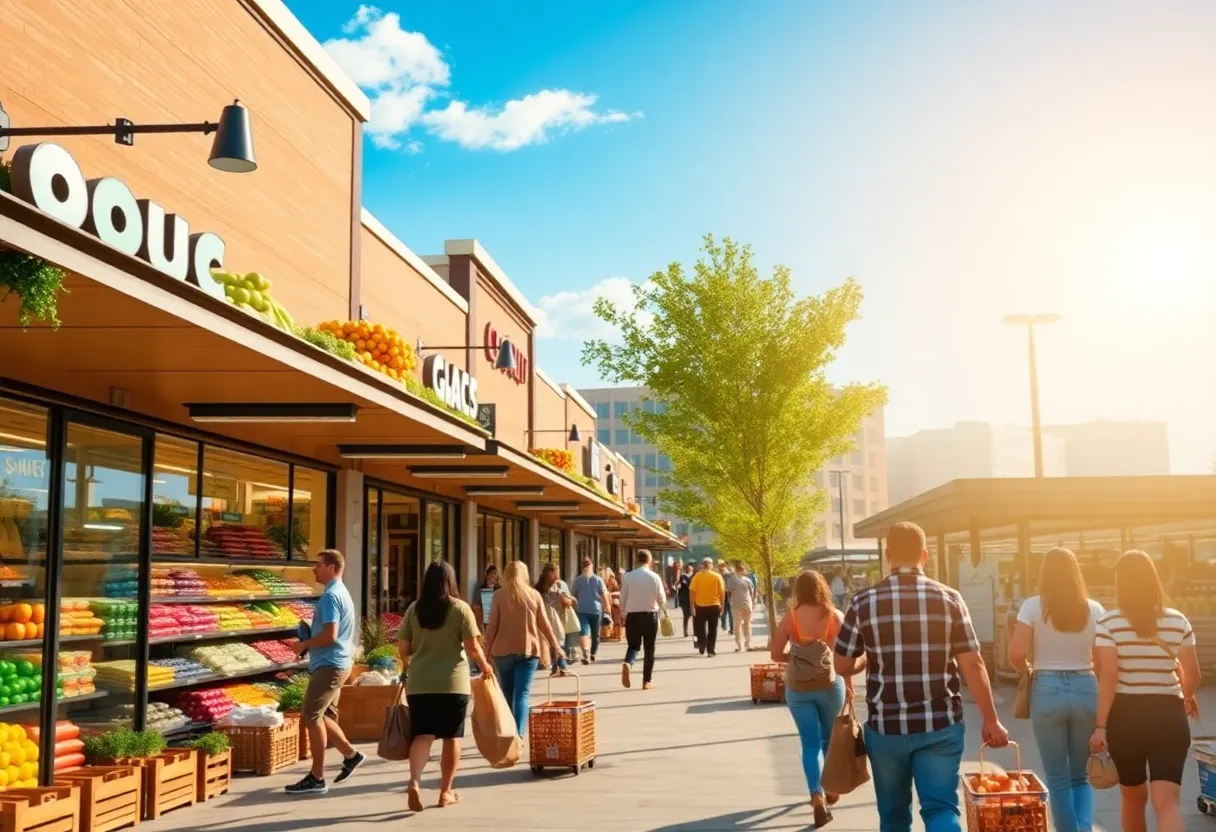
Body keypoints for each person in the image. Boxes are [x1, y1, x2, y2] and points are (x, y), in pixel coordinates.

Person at [834, 521, 1008, 832]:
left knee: (894, 818)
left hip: (886, 728)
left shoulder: (862, 602)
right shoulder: (950, 599)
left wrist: (865, 660)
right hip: (940, 725)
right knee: (941, 809)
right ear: (924, 556)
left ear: (888, 555)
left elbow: (841, 665)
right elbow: (973, 663)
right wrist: (991, 719)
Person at [1091, 551, 1200, 832]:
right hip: (1169, 714)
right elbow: (1194, 674)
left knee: (1132, 799)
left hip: (1127, 717)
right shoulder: (1178, 621)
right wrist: (1185, 697)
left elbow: (1109, 675)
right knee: (1168, 803)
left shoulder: (1109, 623)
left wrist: (1101, 726)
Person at [1008, 547, 1104, 832]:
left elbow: (1015, 653)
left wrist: (1027, 672)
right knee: (1080, 777)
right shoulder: (1095, 609)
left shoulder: (1032, 606)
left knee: (1058, 777)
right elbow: (1101, 662)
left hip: (1046, 688)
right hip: (1087, 686)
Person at [397, 560, 494, 812]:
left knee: (422, 735)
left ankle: (415, 782)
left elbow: (403, 648)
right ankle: (445, 792)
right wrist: (485, 667)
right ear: (450, 581)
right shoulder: (460, 609)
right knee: (452, 738)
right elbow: (473, 648)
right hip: (453, 683)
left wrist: (420, 653)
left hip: (419, 683)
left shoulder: (413, 610)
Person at [772, 570, 851, 828]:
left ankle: (816, 797)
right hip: (830, 685)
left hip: (798, 688)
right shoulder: (834, 616)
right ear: (823, 589)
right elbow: (843, 658)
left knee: (809, 743)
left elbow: (775, 654)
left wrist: (797, 661)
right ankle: (832, 788)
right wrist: (849, 685)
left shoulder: (790, 617)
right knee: (830, 738)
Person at [286, 549, 363, 795]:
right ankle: (351, 755)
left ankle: (317, 777)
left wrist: (304, 644)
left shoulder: (330, 596)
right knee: (325, 715)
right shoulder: (342, 592)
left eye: (317, 565)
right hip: (338, 662)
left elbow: (330, 635)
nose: (313, 569)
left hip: (329, 664)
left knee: (311, 716)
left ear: (331, 567)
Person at [484, 560, 566, 737]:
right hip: (528, 651)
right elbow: (544, 624)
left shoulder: (498, 595)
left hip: (502, 652)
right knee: (522, 693)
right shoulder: (533, 595)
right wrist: (556, 646)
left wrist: (486, 650)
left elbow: (492, 626)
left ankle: (507, 732)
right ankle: (519, 734)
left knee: (507, 692)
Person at [619, 549, 666, 690]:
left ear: (636, 559)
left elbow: (622, 598)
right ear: (650, 560)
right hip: (650, 616)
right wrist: (664, 610)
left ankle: (629, 662)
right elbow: (662, 598)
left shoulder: (628, 577)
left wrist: (623, 612)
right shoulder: (654, 577)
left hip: (633, 616)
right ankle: (647, 681)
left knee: (633, 645)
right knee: (649, 649)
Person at [535, 562, 578, 676]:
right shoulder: (540, 587)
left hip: (557, 616)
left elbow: (569, 602)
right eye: (556, 571)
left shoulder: (560, 585)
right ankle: (560, 665)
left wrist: (561, 595)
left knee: (557, 640)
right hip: (549, 617)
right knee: (555, 641)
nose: (557, 573)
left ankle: (558, 666)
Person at [571, 558, 610, 663]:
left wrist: (607, 609)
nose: (586, 567)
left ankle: (592, 653)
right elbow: (573, 595)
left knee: (595, 634)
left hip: (596, 611)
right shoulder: (578, 580)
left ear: (592, 566)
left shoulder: (598, 580)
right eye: (585, 565)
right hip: (582, 611)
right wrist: (572, 606)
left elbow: (603, 595)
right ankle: (586, 652)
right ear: (583, 567)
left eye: (588, 565)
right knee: (584, 632)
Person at [690, 557, 726, 656]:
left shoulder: (697, 576)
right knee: (712, 629)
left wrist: (692, 606)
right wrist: (722, 605)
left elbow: (692, 592)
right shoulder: (717, 576)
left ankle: (702, 645)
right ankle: (710, 650)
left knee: (700, 628)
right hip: (714, 606)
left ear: (702, 565)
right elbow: (722, 592)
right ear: (711, 565)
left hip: (700, 606)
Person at [726, 561, 756, 651]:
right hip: (747, 603)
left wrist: (730, 601)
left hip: (736, 604)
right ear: (743, 570)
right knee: (747, 623)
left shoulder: (731, 580)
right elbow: (752, 593)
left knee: (737, 624)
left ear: (736, 570)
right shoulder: (748, 580)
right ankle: (748, 643)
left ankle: (738, 645)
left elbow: (729, 592)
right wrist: (753, 603)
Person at [674, 562, 694, 637]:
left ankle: (695, 631)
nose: (689, 569)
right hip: (685, 599)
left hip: (692, 599)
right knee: (686, 616)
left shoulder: (694, 576)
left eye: (690, 568)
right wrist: (677, 585)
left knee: (694, 616)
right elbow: (682, 584)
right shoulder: (683, 577)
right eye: (688, 568)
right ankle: (685, 632)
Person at [718, 560, 734, 635]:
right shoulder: (721, 575)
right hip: (724, 594)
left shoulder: (728, 575)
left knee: (728, 612)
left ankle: (730, 628)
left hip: (727, 594)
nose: (720, 569)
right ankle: (725, 625)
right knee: (725, 611)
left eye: (721, 567)